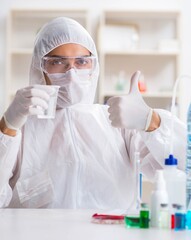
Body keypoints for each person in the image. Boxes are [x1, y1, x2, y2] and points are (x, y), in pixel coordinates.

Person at [0, 17, 186, 209]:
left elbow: (182, 167)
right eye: (57, 61)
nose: (71, 73)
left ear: (93, 66)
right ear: (41, 66)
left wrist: (152, 122)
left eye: (81, 61)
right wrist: (6, 127)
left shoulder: (117, 122)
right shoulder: (20, 128)